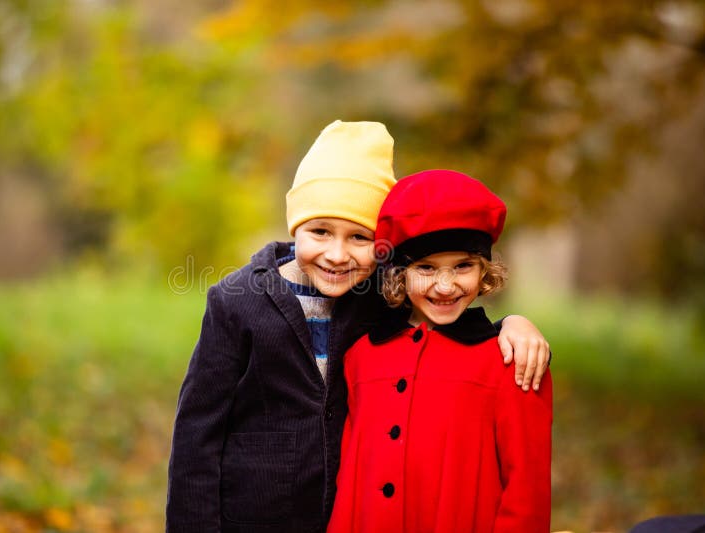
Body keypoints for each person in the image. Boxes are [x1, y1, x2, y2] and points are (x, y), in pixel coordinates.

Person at [166, 122, 550, 533]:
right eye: (320, 231)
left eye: (359, 237)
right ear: (295, 226)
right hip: (252, 517)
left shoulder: (377, 298)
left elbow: (439, 315)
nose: (337, 254)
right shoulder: (236, 301)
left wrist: (513, 322)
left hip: (341, 515)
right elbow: (197, 433)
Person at [328, 169, 553, 533]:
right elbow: (349, 482)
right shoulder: (361, 358)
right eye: (426, 268)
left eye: (463, 266)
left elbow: (527, 493)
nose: (446, 286)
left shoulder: (513, 360)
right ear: (399, 274)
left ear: (485, 272)